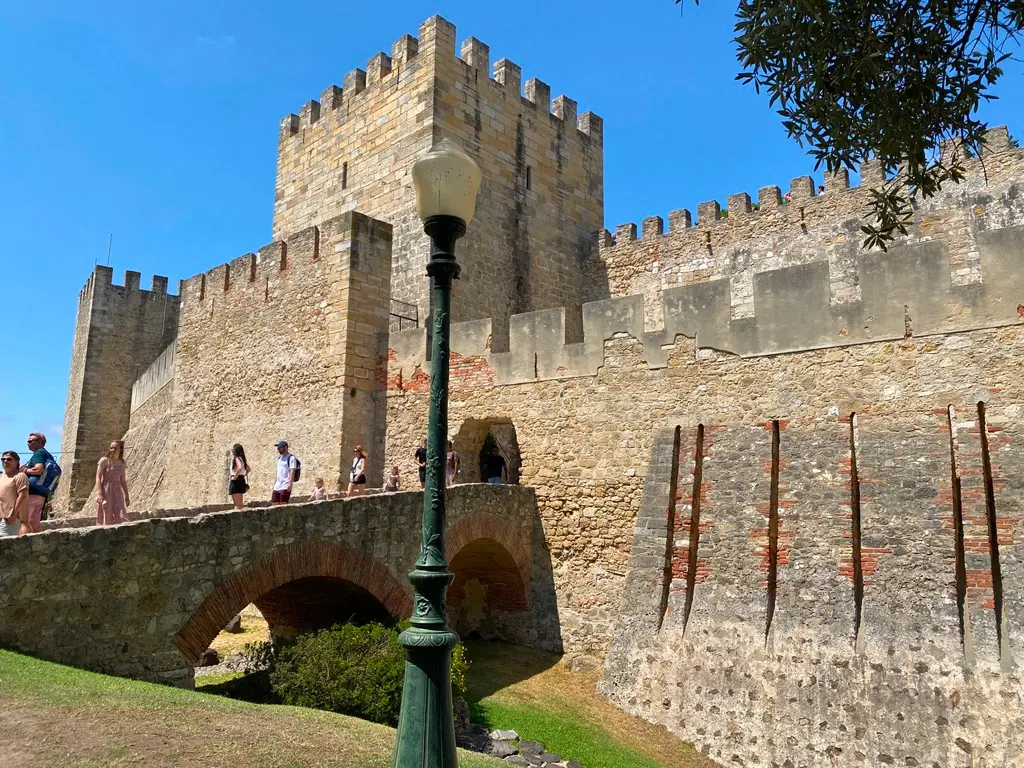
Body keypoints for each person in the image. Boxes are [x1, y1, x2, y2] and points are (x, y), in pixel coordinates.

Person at [22, 432, 56, 533]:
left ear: (40, 442)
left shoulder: (39, 453)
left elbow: (38, 470)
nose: (28, 443)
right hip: (42, 494)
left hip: (32, 492)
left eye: (30, 441)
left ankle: (22, 545)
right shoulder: (47, 454)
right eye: (27, 441)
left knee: (25, 521)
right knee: (34, 522)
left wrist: (24, 470)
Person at [96, 440, 129, 526]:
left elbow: (123, 480)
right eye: (111, 448)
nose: (112, 450)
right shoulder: (104, 461)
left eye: (115, 448)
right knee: (107, 513)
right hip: (106, 490)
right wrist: (99, 494)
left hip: (118, 491)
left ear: (120, 450)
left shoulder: (122, 463)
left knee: (121, 513)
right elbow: (98, 478)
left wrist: (127, 495)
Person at [0, 451, 29, 537]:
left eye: (9, 459)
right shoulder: (1, 476)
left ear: (16, 462)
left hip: (10, 517)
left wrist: (13, 514)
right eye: (3, 459)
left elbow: (22, 496)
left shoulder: (20, 476)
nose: (5, 461)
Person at [272, 440, 298, 505]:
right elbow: (278, 471)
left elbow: (292, 470)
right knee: (274, 504)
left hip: (285, 485)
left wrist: (290, 483)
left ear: (286, 447)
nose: (278, 449)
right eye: (278, 448)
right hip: (277, 485)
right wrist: (275, 482)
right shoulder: (279, 458)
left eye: (280, 448)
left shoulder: (291, 458)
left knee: (283, 505)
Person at [229, 444, 249, 510]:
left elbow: (239, 467)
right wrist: (244, 474)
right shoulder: (242, 459)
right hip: (241, 480)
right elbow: (248, 469)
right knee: (240, 504)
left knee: (237, 505)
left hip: (236, 481)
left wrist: (235, 476)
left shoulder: (236, 458)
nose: (232, 450)